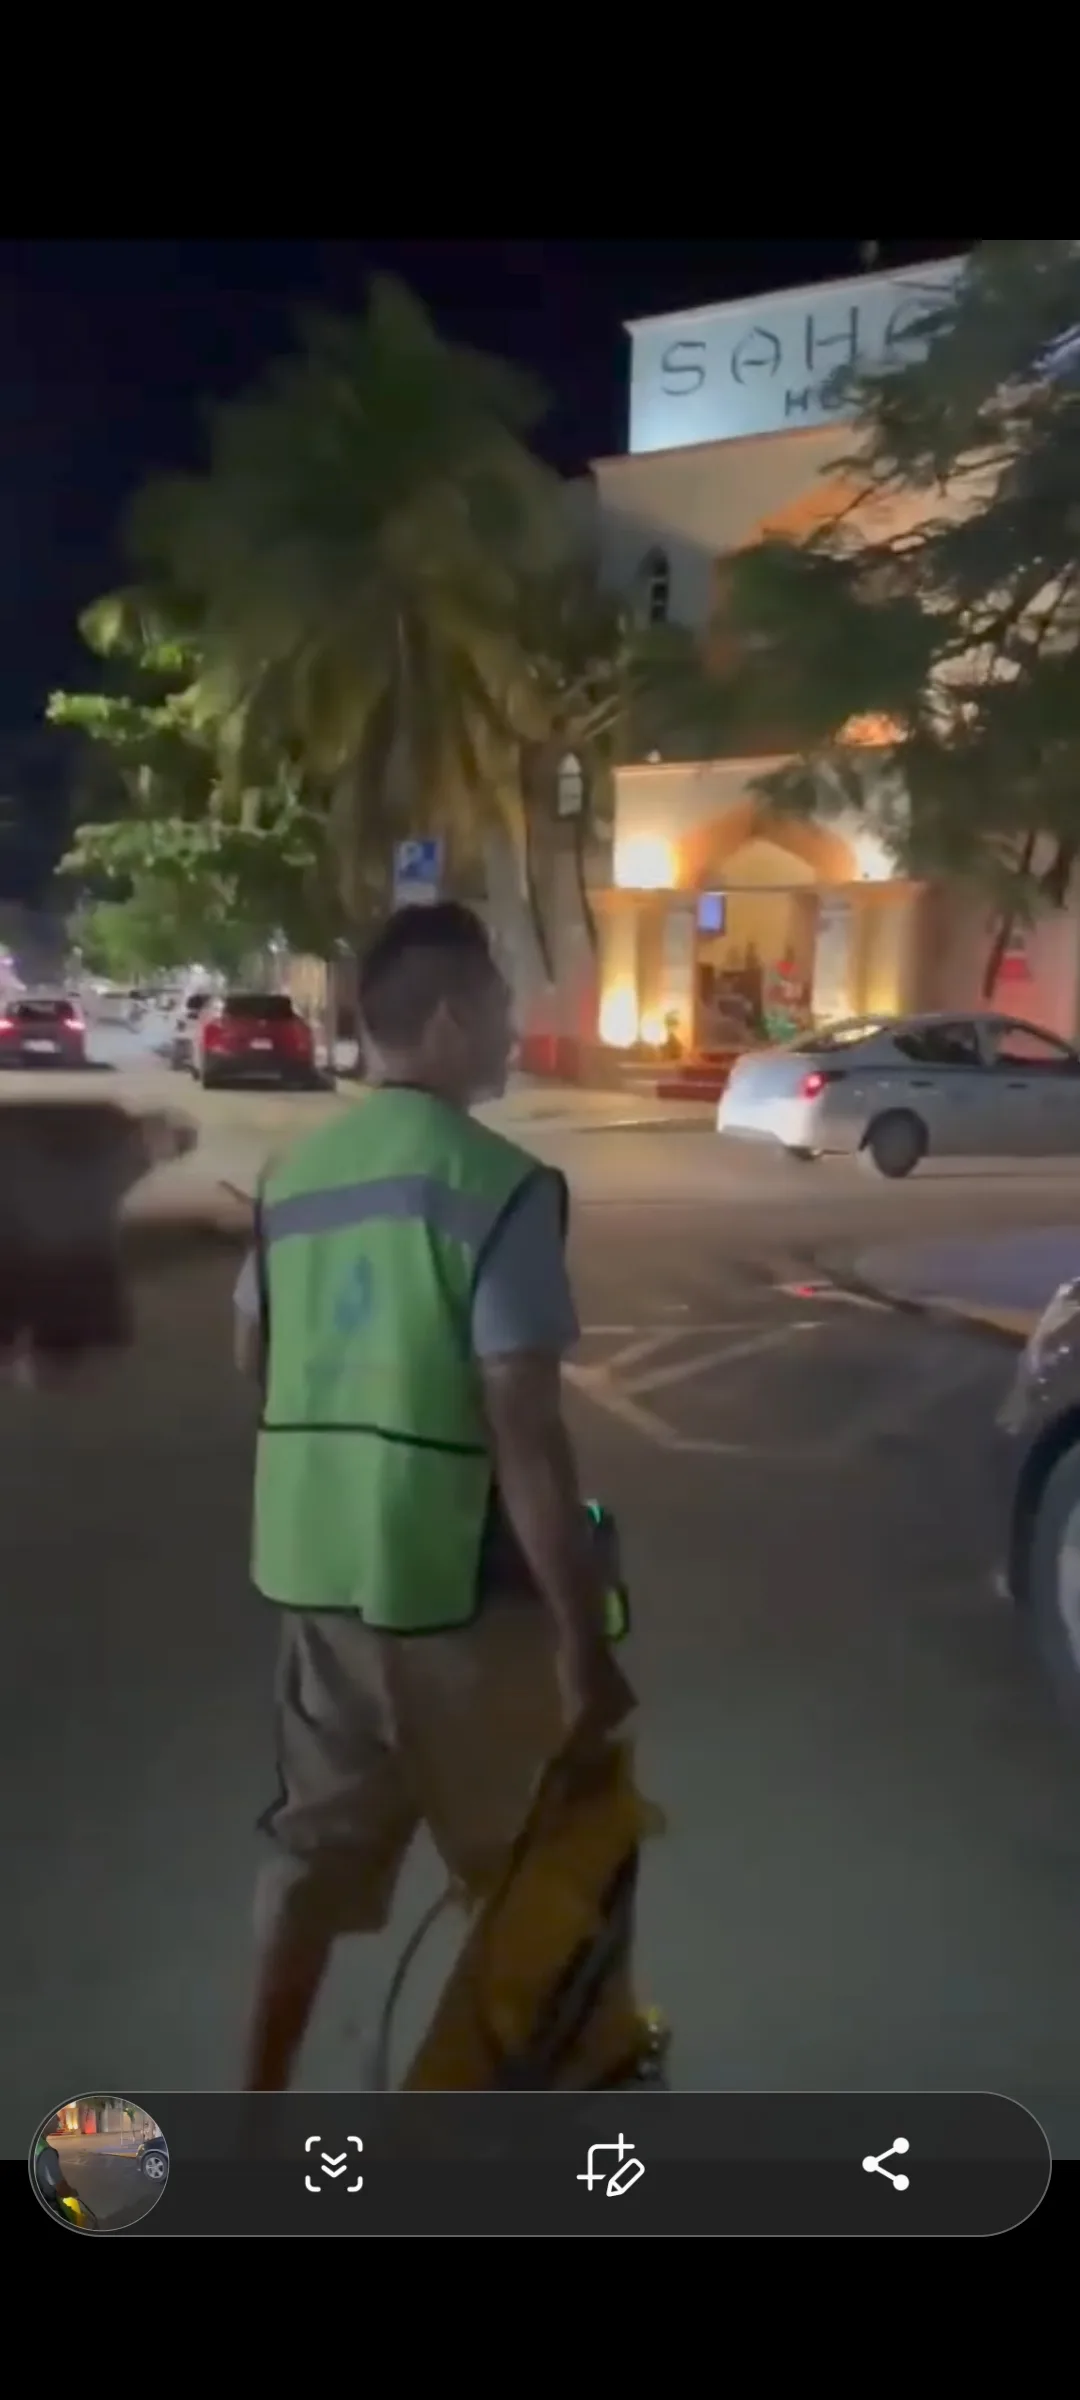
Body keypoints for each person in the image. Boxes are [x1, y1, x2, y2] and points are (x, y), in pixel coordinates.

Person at [234, 901, 633, 2092]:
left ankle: (256, 2109)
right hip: (456, 1590)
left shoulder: (295, 1176)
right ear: (453, 1019)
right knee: (524, 1876)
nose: (514, 1028)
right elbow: (526, 1431)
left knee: (313, 1862)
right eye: (504, 1005)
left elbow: (254, 1360)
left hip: (318, 1580)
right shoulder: (497, 1185)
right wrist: (581, 1642)